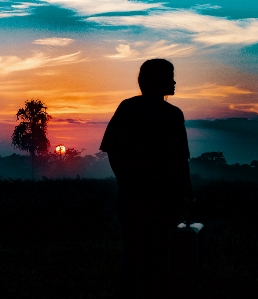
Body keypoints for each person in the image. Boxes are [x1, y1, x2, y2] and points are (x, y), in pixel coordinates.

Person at [100, 59, 194, 298]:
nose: (174, 81)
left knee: (134, 253)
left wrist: (125, 180)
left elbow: (112, 149)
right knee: (159, 253)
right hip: (163, 197)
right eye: (170, 76)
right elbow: (180, 161)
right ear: (156, 80)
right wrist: (187, 195)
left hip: (133, 195)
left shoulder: (128, 108)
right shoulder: (172, 114)